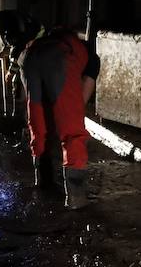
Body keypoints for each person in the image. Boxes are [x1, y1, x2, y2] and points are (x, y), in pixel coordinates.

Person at [17, 26, 100, 209]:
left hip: (28, 57)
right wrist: (71, 111)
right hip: (57, 60)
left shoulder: (44, 42)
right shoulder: (88, 54)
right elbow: (83, 93)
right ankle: (76, 198)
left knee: (39, 126)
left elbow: (26, 97)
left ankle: (43, 183)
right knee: (72, 132)